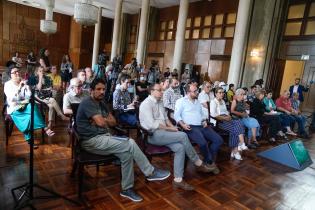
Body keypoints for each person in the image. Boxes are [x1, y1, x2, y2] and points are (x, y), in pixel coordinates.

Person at [76, 78, 170, 202]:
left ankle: (127, 189)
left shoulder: (102, 103)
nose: (102, 92)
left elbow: (113, 122)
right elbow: (100, 122)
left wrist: (101, 119)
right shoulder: (87, 102)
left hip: (104, 138)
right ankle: (150, 172)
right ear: (91, 90)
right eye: (98, 89)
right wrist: (101, 120)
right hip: (91, 141)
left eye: (104, 89)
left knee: (126, 155)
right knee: (130, 142)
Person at [140, 83, 219, 191]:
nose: (162, 92)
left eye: (162, 90)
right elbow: (152, 125)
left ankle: (178, 180)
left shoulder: (160, 102)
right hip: (153, 135)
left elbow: (166, 120)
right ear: (152, 91)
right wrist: (171, 129)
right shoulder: (146, 104)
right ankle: (198, 163)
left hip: (164, 133)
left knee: (180, 148)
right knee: (182, 135)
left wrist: (173, 127)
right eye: (160, 90)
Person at [175, 83, 223, 166]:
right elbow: (176, 115)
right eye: (195, 91)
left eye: (197, 90)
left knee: (219, 140)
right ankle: (209, 162)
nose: (197, 92)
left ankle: (208, 159)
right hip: (190, 127)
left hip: (202, 126)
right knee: (203, 143)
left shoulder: (197, 102)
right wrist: (182, 124)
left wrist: (204, 120)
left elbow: (201, 114)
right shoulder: (181, 101)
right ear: (188, 92)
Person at [4, 65, 55, 143]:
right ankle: (45, 128)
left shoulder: (24, 82)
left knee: (32, 107)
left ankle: (31, 138)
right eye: (14, 72)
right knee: (31, 113)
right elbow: (12, 99)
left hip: (25, 106)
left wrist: (26, 86)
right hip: (14, 108)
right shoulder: (8, 84)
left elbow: (29, 95)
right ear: (10, 75)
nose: (17, 73)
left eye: (18, 71)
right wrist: (19, 88)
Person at [210, 87, 247, 160]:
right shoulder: (213, 102)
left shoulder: (223, 101)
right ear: (215, 94)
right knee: (235, 128)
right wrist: (224, 118)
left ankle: (235, 150)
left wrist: (229, 116)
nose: (222, 94)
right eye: (219, 92)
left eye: (222, 92)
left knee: (238, 123)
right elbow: (214, 115)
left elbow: (226, 111)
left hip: (226, 118)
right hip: (219, 121)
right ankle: (237, 149)